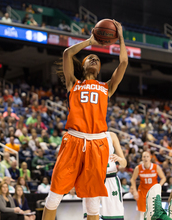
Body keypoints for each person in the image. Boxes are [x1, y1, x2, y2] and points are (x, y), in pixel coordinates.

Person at [42, 20, 127, 220]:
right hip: (74, 140)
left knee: (92, 204)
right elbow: (67, 54)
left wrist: (120, 37)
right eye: (90, 58)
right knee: (54, 196)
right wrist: (90, 41)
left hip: (97, 145)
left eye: (97, 59)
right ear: (83, 64)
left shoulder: (107, 87)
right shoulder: (73, 83)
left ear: (99, 69)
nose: (94, 59)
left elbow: (123, 63)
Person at [83, 131, 127, 220]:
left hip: (110, 178)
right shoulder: (86, 135)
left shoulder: (111, 135)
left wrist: (119, 159)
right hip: (93, 179)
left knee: (114, 216)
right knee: (90, 215)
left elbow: (124, 163)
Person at [130, 151, 166, 220]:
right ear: (142, 158)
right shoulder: (138, 168)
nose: (146, 158)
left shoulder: (156, 167)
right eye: (144, 157)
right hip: (142, 191)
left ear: (150, 158)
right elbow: (132, 179)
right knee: (142, 213)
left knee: (154, 212)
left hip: (153, 192)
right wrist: (134, 191)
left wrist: (159, 186)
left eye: (147, 156)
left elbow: (163, 178)